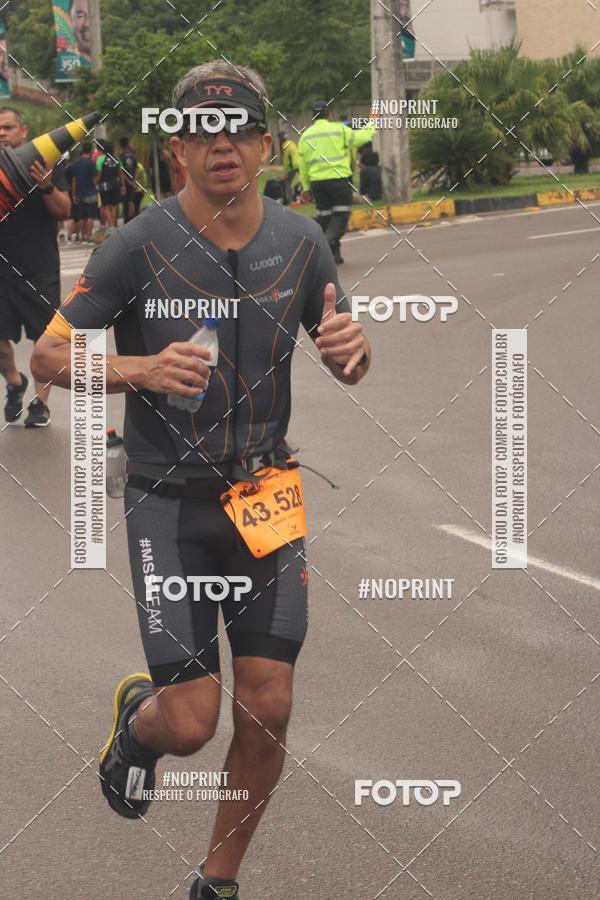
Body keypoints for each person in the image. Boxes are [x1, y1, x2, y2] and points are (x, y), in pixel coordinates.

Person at [32, 59, 370, 900]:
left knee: (272, 706)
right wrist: (139, 368)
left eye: (243, 129)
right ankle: (141, 726)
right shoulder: (136, 244)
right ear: (177, 148)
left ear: (265, 143)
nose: (225, 146)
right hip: (168, 503)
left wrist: (354, 355)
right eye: (203, 132)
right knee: (191, 723)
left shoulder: (300, 240)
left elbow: (346, 345)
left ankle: (217, 881)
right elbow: (45, 352)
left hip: (267, 497)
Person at [0, 107, 70, 427]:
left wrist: (45, 186)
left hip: (38, 266)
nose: (2, 133)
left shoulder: (49, 161)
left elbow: (64, 210)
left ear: (23, 131)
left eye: (8, 127)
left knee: (45, 341)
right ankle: (15, 383)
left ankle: (40, 404)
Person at [298, 100, 376, 264]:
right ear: (328, 114)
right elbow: (362, 137)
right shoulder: (339, 129)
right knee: (340, 218)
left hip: (317, 184)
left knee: (325, 219)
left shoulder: (305, 136)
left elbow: (303, 166)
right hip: (339, 180)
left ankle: (335, 255)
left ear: (313, 117)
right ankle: (322, 247)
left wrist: (305, 188)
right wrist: (373, 121)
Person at [71, 142, 98, 243]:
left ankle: (82, 236)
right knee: (90, 216)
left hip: (80, 193)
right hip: (91, 192)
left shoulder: (76, 163)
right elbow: (94, 179)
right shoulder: (91, 163)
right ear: (90, 150)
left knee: (82, 216)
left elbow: (74, 180)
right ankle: (88, 236)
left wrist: (74, 194)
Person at [95, 140, 124, 228]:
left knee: (106, 206)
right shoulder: (117, 158)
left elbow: (99, 174)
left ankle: (111, 225)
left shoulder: (100, 159)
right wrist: (123, 185)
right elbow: (121, 173)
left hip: (104, 186)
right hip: (115, 184)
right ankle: (114, 224)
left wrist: (96, 183)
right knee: (114, 205)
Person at [118, 136, 138, 223]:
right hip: (132, 181)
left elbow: (121, 171)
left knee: (126, 202)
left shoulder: (121, 156)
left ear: (121, 145)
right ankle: (132, 220)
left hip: (125, 182)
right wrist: (134, 181)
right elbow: (136, 169)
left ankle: (127, 220)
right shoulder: (133, 155)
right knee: (131, 201)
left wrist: (125, 183)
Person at [278, 130, 300, 204]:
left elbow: (286, 161)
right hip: (299, 165)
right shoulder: (292, 143)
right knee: (299, 182)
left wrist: (285, 174)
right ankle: (300, 198)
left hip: (293, 166)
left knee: (287, 183)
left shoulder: (285, 145)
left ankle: (289, 200)